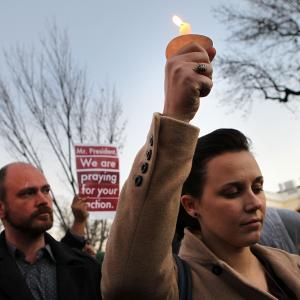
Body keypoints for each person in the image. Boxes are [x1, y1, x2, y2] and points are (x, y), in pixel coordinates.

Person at [101, 42, 300, 299]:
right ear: (191, 205)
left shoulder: (292, 265)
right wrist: (175, 118)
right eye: (232, 192)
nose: (254, 203)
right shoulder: (177, 286)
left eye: (258, 187)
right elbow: (127, 282)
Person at [0, 162, 101, 300]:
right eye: (28, 193)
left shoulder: (87, 268)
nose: (44, 200)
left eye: (46, 190)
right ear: (1, 209)